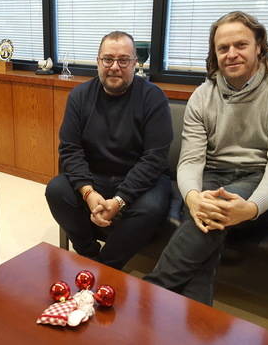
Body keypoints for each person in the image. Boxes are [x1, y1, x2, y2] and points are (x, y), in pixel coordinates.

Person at [144, 11, 268, 305]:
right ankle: (194, 324)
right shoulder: (202, 96)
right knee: (206, 214)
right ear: (215, 53)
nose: (232, 54)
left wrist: (252, 208)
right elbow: (191, 160)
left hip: (260, 180)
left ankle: (151, 294)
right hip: (213, 176)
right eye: (223, 48)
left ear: (259, 45)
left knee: (211, 212)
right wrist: (193, 197)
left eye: (241, 45)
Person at [46, 31, 173, 270]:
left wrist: (119, 200)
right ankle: (89, 254)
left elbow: (154, 158)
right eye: (108, 59)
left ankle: (106, 267)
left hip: (141, 179)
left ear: (135, 63)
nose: (115, 66)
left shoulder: (153, 98)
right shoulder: (79, 96)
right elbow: (70, 149)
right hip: (96, 175)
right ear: (98, 61)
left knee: (151, 208)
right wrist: (88, 192)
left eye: (124, 60)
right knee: (56, 190)